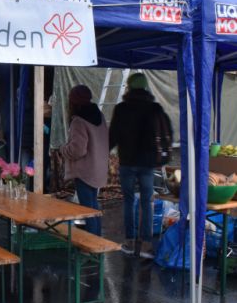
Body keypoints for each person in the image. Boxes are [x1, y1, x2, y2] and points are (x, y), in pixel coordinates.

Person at [109, 72, 173, 259]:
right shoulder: (154, 108)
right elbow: (167, 131)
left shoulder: (121, 109)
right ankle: (146, 244)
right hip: (147, 163)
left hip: (127, 162)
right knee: (147, 202)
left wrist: (104, 151)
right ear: (145, 87)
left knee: (128, 201)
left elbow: (113, 135)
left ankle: (129, 242)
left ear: (129, 87)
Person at [59, 85, 109, 235]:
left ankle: (93, 244)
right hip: (98, 168)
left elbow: (77, 150)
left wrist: (63, 149)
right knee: (94, 208)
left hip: (84, 172)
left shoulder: (78, 122)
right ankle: (97, 241)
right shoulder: (99, 116)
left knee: (88, 210)